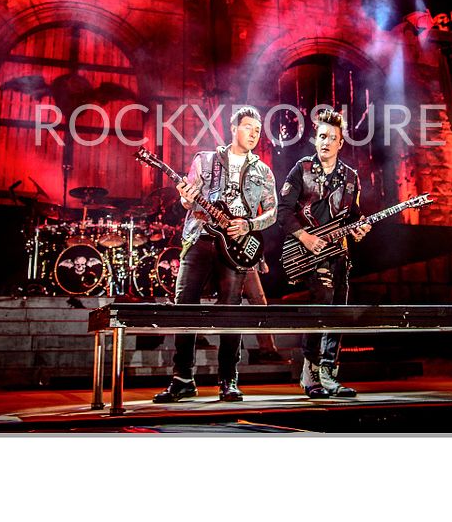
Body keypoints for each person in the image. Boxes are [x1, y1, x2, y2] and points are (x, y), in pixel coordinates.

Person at [153, 106, 278, 403]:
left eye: (257, 130)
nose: (253, 134)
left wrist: (249, 225)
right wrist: (185, 198)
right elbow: (188, 200)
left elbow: (273, 212)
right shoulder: (205, 160)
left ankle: (228, 379)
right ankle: (183, 378)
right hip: (200, 238)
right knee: (185, 305)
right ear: (233, 129)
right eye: (247, 127)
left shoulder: (263, 171)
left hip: (235, 248)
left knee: (230, 311)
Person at [276, 108, 370, 399]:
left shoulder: (351, 177)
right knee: (322, 301)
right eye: (321, 136)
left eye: (332, 137)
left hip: (339, 254)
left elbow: (353, 215)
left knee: (338, 311)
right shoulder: (301, 170)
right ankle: (311, 372)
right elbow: (283, 211)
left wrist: (360, 228)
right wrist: (304, 237)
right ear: (315, 139)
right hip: (309, 253)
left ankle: (329, 374)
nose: (325, 142)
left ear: (341, 142)